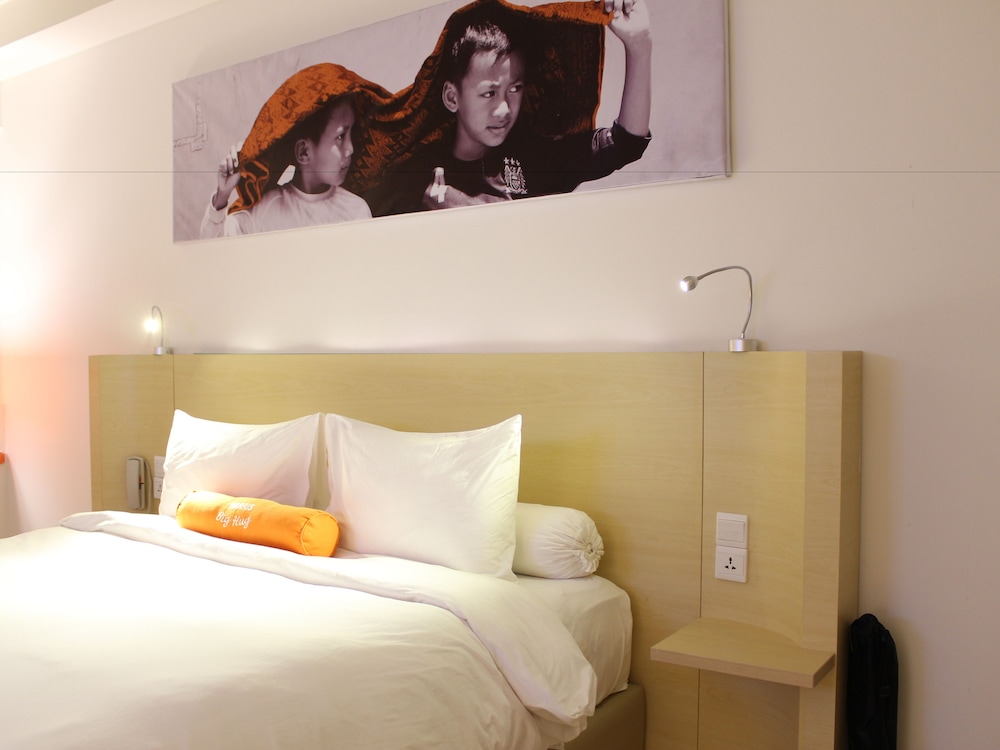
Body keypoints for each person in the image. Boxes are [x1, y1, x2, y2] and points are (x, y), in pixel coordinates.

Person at [363, 0, 652, 217]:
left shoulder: (534, 161)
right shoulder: (415, 175)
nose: (503, 109)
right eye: (489, 93)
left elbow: (625, 144)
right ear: (452, 97)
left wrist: (639, 46)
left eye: (514, 89)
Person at [201, 63, 376, 238]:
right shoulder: (264, 211)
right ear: (303, 152)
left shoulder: (356, 211)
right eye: (340, 137)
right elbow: (214, 248)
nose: (350, 148)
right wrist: (222, 195)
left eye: (352, 133)